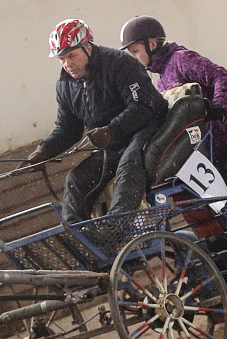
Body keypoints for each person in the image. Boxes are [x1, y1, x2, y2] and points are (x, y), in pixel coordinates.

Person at [20, 18, 168, 224]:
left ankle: (116, 227)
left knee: (129, 165)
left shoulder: (120, 63)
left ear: (88, 48)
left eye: (72, 55)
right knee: (76, 179)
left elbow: (145, 106)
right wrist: (44, 151)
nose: (67, 64)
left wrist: (111, 130)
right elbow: (68, 129)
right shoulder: (64, 85)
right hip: (114, 143)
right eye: (61, 59)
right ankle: (83, 238)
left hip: (149, 131)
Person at [119, 15, 227, 197]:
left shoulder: (181, 59)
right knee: (217, 212)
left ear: (151, 44)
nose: (134, 58)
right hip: (210, 152)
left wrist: (219, 104)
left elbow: (222, 76)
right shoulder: (161, 81)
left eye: (135, 51)